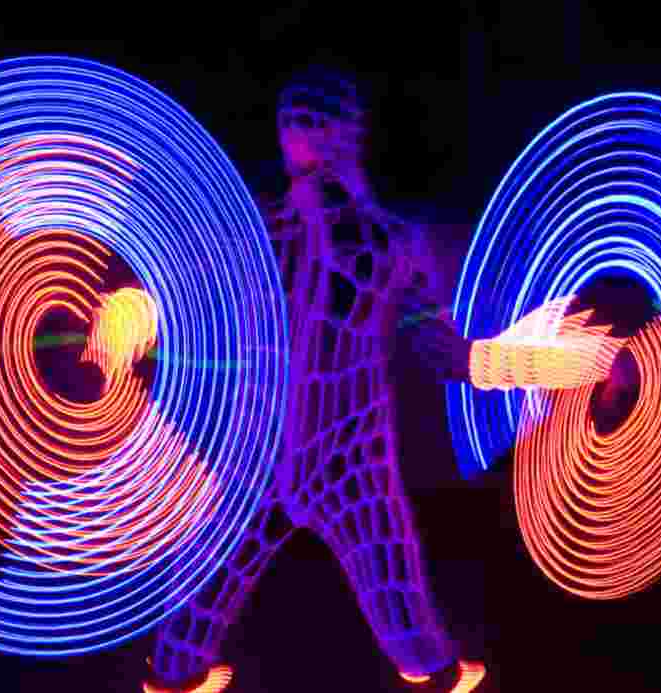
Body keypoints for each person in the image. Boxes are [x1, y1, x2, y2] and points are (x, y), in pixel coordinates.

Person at [143, 67, 486, 693]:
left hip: (347, 449)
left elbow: (443, 353)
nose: (297, 134)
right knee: (207, 589)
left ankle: (434, 674)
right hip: (266, 444)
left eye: (313, 121)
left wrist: (528, 361)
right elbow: (192, 300)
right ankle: (173, 676)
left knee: (394, 584)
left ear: (345, 132)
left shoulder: (387, 240)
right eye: (291, 120)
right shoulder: (262, 230)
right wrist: (137, 313)